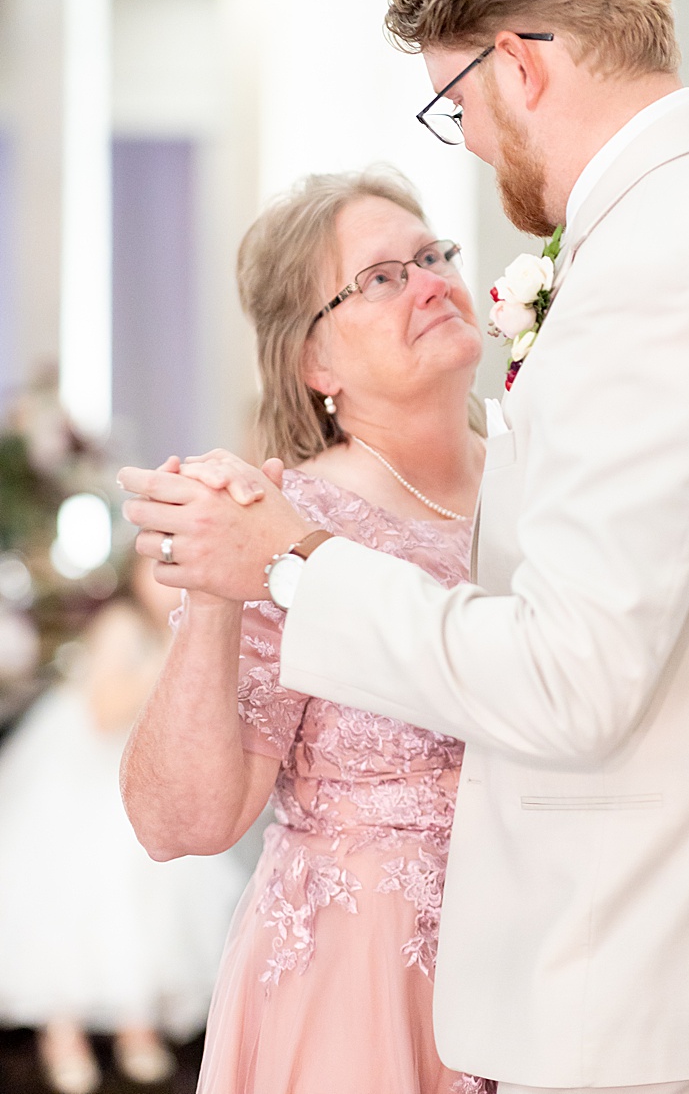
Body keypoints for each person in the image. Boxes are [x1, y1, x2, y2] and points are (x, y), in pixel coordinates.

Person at [120, 0, 689, 1094]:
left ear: (520, 63)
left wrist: (292, 561)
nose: (478, 141)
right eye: (376, 278)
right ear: (310, 352)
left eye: (457, 100)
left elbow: (571, 676)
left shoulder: (649, 272)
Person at [121, 173, 501, 1094]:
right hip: (363, 995)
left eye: (432, 254)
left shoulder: (545, 481)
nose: (428, 281)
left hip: (548, 961)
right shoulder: (285, 519)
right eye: (378, 277)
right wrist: (216, 593)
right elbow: (181, 822)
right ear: (313, 363)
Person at [0, 559, 244, 1094]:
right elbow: (104, 714)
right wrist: (170, 663)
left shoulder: (184, 629)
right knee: (85, 889)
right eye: (156, 570)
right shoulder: (123, 627)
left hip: (150, 775)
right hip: (91, 778)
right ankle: (62, 1032)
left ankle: (138, 1023)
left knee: (159, 888)